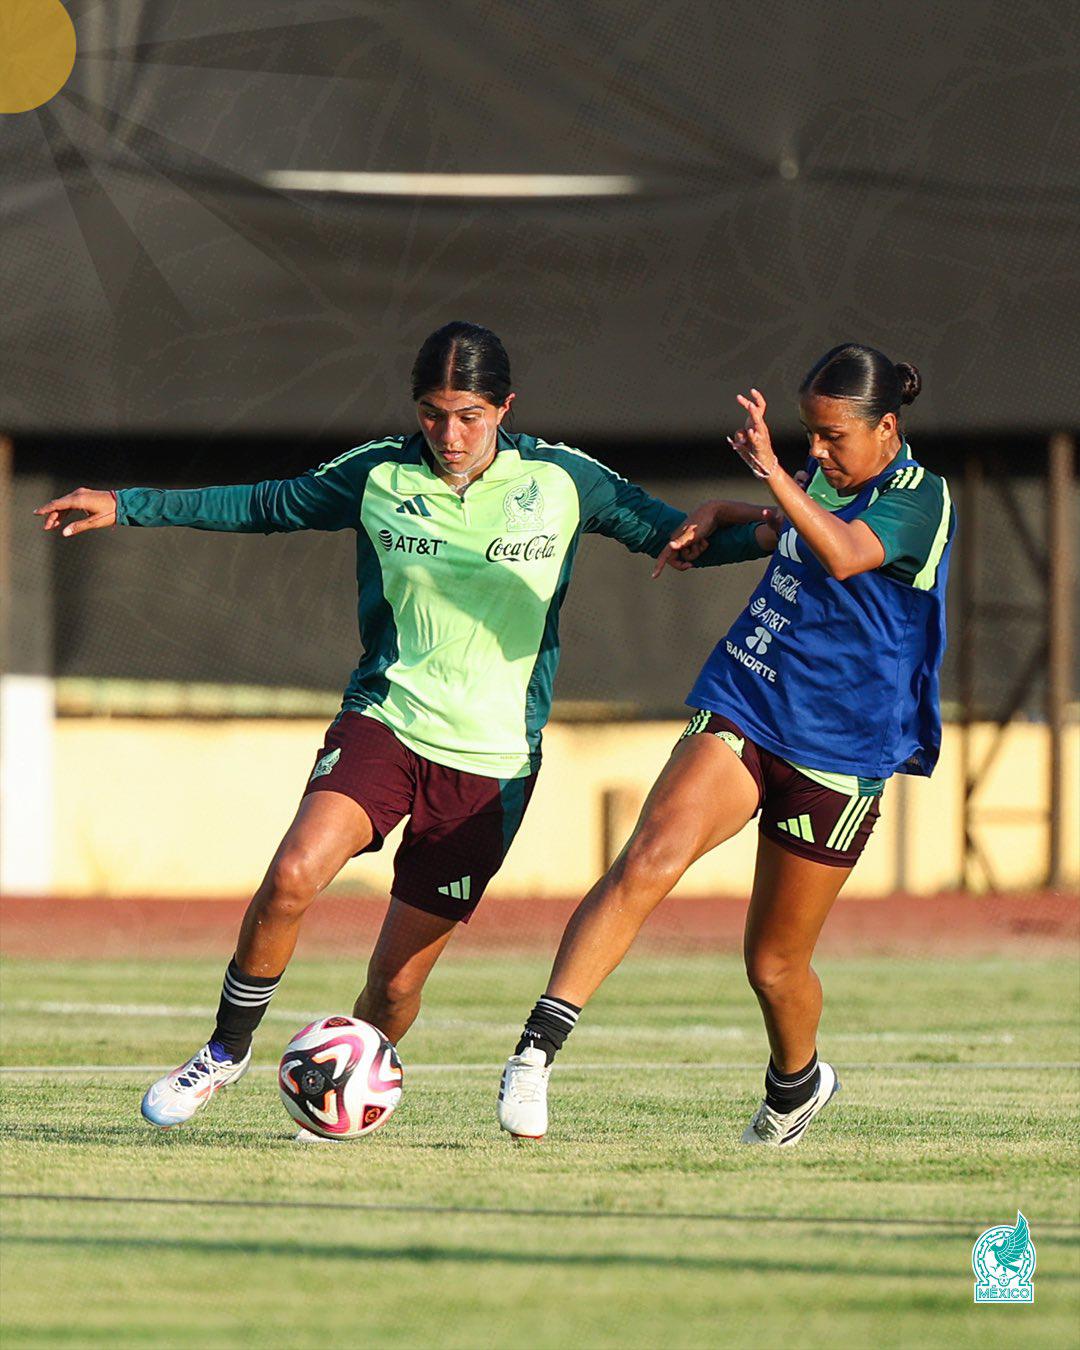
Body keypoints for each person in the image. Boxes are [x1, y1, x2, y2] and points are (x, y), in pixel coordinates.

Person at [35, 321, 775, 1130]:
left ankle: (349, 1098)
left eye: (467, 415)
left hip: (492, 763)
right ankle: (224, 1050)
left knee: (394, 988)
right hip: (386, 721)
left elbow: (679, 538)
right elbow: (261, 503)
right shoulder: (378, 473)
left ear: (504, 408)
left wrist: (787, 526)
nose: (449, 434)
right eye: (431, 413)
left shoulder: (564, 482)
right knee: (291, 876)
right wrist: (126, 505)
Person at [498, 343, 955, 1147]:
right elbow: (789, 530)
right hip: (749, 698)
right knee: (650, 856)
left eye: (832, 437)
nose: (817, 451)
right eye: (807, 434)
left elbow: (845, 554)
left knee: (775, 967)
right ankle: (534, 1053)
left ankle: (797, 1082)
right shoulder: (820, 475)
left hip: (841, 754)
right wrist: (726, 513)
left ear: (887, 428)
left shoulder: (922, 497)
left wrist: (774, 477)